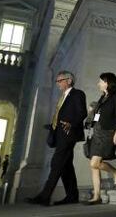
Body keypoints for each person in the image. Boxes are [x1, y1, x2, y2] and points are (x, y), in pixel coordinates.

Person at [27, 70, 87, 206]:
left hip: (68, 134)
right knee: (66, 166)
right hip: (59, 133)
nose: (58, 83)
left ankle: (44, 196)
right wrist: (52, 126)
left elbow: (82, 112)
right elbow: (61, 116)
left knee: (56, 163)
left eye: (60, 80)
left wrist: (71, 123)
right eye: (57, 81)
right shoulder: (63, 97)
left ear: (69, 81)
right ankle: (72, 196)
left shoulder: (77, 94)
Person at [84, 73, 116, 205]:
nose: (98, 84)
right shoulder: (102, 98)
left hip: (108, 133)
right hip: (97, 132)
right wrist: (92, 124)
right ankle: (97, 196)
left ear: (107, 82)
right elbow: (97, 115)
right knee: (94, 167)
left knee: (94, 163)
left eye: (100, 81)